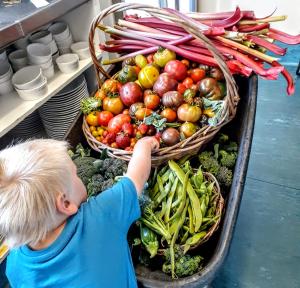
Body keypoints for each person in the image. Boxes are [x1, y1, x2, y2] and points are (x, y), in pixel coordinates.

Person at [0, 136, 159, 288]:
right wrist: (143, 146)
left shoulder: (15, 265)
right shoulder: (101, 215)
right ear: (65, 203)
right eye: (75, 174)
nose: (79, 177)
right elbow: (136, 177)